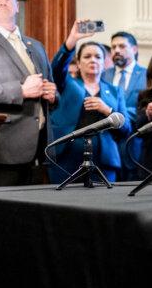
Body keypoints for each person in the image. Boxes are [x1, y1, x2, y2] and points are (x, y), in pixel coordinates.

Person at [0, 0, 56, 186]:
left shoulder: (36, 46)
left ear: (16, 5)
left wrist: (53, 94)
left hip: (41, 148)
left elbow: (52, 90)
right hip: (4, 148)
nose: (2, 2)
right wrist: (21, 91)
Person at [47, 23, 132, 183]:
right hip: (67, 157)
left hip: (104, 159)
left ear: (104, 62)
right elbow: (57, 68)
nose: (93, 60)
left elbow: (126, 129)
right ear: (78, 63)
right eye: (87, 56)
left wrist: (107, 110)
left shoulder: (115, 91)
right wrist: (72, 40)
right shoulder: (68, 84)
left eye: (98, 57)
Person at [103, 31, 146, 180]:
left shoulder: (147, 75)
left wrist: (113, 113)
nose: (116, 50)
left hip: (133, 145)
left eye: (121, 46)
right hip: (107, 148)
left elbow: (144, 110)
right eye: (113, 47)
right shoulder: (103, 75)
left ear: (134, 49)